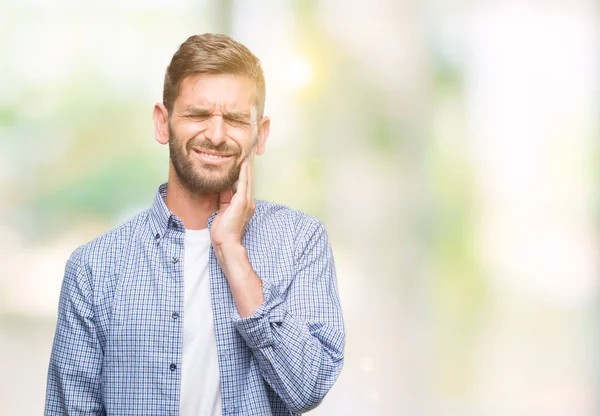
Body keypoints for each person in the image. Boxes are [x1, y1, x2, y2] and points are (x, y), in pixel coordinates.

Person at [44, 33, 345, 416]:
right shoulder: (94, 269)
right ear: (162, 123)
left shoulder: (302, 242)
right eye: (198, 114)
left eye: (235, 119)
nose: (216, 135)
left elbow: (308, 388)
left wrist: (232, 254)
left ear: (261, 134)